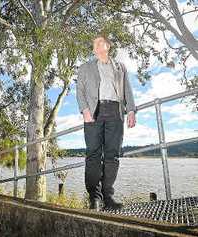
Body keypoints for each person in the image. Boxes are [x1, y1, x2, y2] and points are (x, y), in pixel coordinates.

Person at [76, 34, 137, 211]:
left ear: (107, 46)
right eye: (93, 43)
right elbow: (79, 90)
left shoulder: (120, 67)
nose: (94, 45)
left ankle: (108, 196)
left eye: (98, 42)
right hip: (94, 112)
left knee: (112, 155)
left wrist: (131, 110)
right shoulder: (85, 67)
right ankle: (94, 198)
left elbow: (127, 90)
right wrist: (85, 110)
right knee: (94, 155)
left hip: (115, 112)